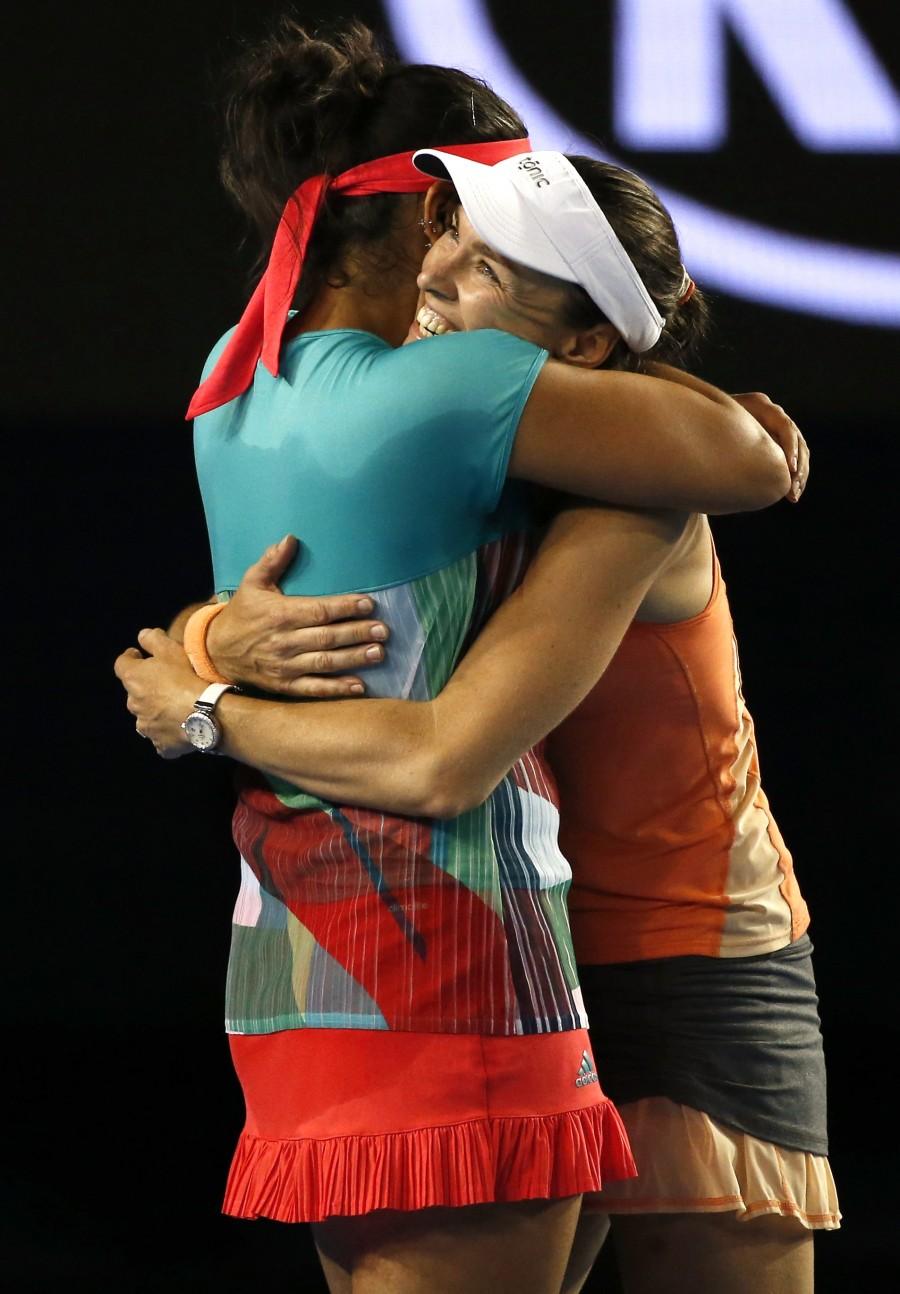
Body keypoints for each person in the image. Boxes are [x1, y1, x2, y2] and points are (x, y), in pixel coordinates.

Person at [115, 19, 797, 1294]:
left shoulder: (228, 374)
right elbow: (756, 464)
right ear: (427, 212)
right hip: (459, 939)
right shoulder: (459, 389)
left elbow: (267, 602)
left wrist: (199, 673)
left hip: (293, 956)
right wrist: (206, 693)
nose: (461, 274)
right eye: (470, 222)